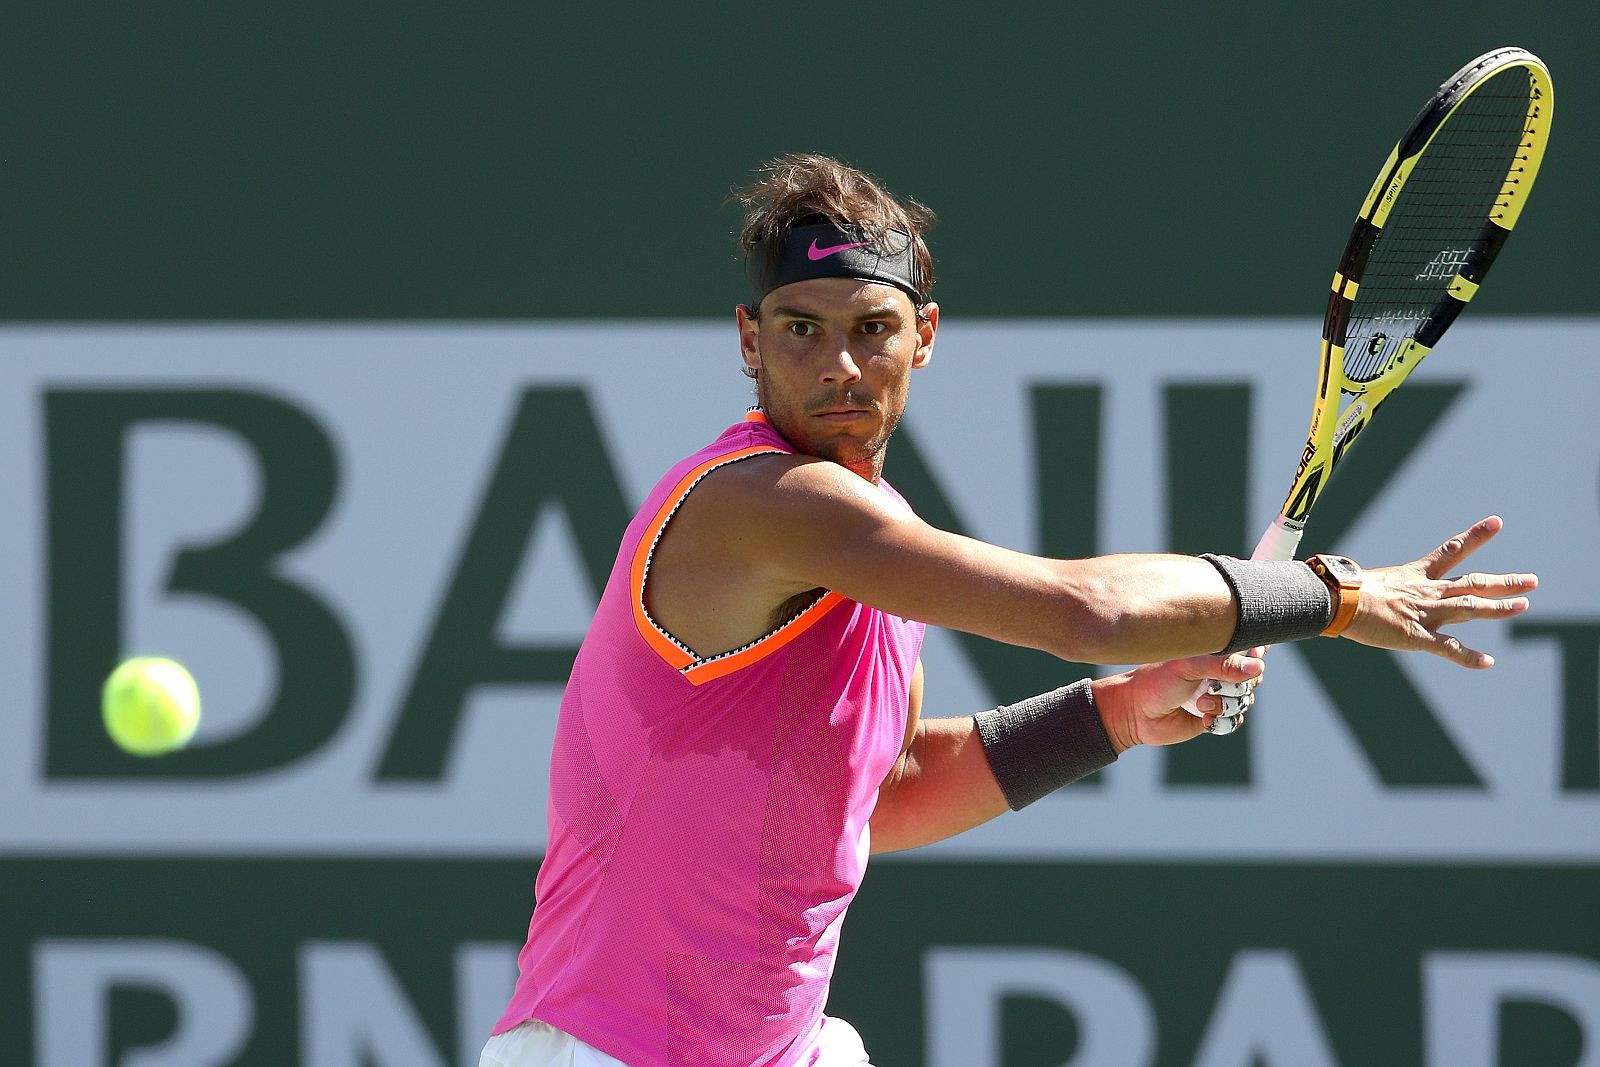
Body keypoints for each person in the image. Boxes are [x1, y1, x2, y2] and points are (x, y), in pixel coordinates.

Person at [480, 154, 1536, 1067]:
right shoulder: (768, 504)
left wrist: (1115, 716)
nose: (839, 362)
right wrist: (1337, 595)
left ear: (925, 335)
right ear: (749, 342)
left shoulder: (877, 550)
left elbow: (879, 797)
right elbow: (1087, 611)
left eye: (872, 327)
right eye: (800, 329)